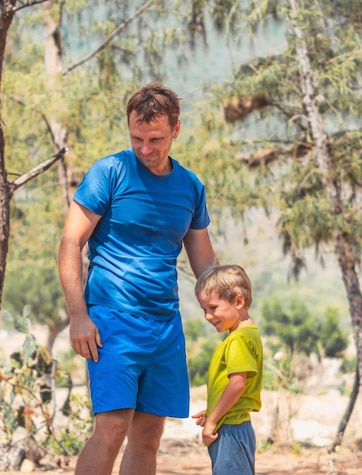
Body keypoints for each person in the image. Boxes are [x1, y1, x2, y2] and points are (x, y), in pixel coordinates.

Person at [58, 82, 217, 475]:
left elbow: (205, 264)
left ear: (176, 129)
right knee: (112, 426)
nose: (145, 148)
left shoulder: (190, 187)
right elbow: (70, 242)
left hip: (165, 326)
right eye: (137, 138)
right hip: (111, 319)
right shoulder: (109, 172)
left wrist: (234, 313)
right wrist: (79, 315)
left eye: (156, 139)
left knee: (148, 437)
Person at [191, 264, 263, 475]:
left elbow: (238, 383)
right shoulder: (246, 334)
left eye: (213, 308)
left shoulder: (239, 339)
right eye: (204, 310)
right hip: (233, 424)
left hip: (230, 430)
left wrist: (212, 421)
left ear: (238, 301)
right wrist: (214, 410)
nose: (208, 316)